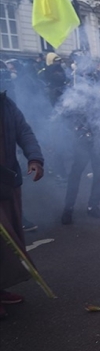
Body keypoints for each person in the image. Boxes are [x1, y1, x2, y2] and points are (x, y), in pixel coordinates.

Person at [0, 91, 45, 319]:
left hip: (7, 182)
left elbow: (24, 132)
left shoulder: (6, 104)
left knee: (9, 241)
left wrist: (35, 159)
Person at [59, 58, 100, 224]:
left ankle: (93, 206)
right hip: (83, 137)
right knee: (76, 174)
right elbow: (65, 112)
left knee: (99, 174)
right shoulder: (74, 87)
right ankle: (68, 208)